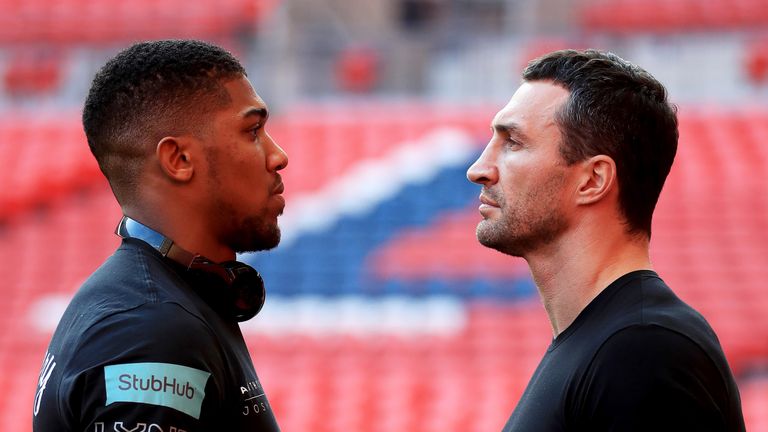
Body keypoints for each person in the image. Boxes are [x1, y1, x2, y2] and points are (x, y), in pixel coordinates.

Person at [467, 49, 745, 431]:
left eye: (513, 142)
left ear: (593, 180)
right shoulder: (610, 344)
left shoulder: (644, 350)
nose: (478, 169)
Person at [32, 40, 287, 431]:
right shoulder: (150, 332)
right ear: (179, 160)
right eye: (252, 131)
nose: (278, 155)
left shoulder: (155, 304)